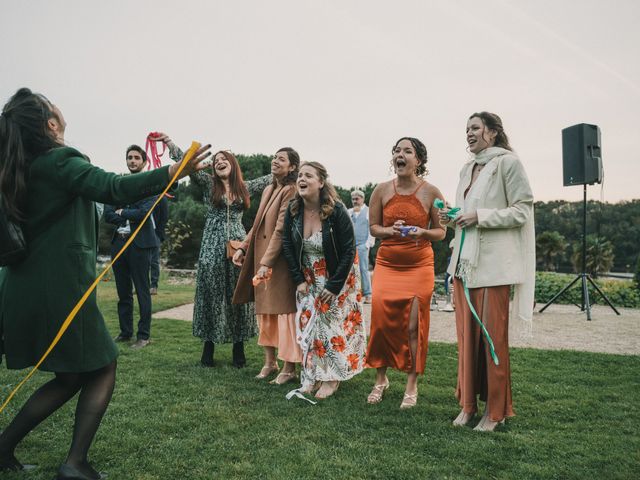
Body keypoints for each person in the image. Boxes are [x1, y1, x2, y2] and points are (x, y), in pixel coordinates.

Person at [0, 88, 210, 479]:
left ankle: (4, 447)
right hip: (56, 288)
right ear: (50, 123)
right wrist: (171, 171)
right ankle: (75, 464)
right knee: (102, 364)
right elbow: (113, 187)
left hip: (22, 286)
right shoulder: (59, 161)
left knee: (73, 375)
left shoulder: (18, 166)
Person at [439, 112, 534, 432]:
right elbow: (464, 214)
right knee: (466, 340)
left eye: (475, 128)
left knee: (492, 340)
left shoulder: (508, 163)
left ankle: (494, 412)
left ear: (493, 133)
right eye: (466, 129)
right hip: (464, 264)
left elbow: (522, 210)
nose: (469, 134)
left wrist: (480, 216)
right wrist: (450, 218)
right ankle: (467, 406)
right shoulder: (467, 168)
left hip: (494, 267)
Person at [158, 133, 271, 367]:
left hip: (239, 245)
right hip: (212, 245)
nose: (220, 162)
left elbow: (273, 177)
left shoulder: (246, 187)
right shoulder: (208, 183)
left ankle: (238, 350)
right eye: (217, 159)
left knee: (239, 295)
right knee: (211, 294)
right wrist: (169, 142)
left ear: (233, 164)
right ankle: (207, 350)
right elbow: (186, 162)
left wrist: (293, 167)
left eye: (224, 159)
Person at [365, 137, 446, 409]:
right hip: (387, 264)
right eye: (396, 151)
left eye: (407, 151)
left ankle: (411, 384)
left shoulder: (432, 193)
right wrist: (390, 231)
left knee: (414, 324)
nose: (400, 155)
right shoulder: (380, 190)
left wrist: (423, 232)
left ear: (418, 160)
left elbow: (441, 232)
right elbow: (374, 228)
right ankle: (380, 379)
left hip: (419, 265)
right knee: (381, 321)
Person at [282, 162, 366, 399]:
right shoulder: (293, 210)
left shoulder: (336, 210)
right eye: (300, 175)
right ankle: (312, 375)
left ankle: (332, 378)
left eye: (308, 175)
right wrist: (298, 279)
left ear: (321, 182)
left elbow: (349, 250)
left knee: (330, 325)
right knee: (310, 325)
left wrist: (334, 285)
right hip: (309, 276)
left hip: (338, 275)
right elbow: (288, 245)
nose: (302, 179)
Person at [233, 148, 301, 384]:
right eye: (274, 157)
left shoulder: (291, 190)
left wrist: (266, 263)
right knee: (265, 314)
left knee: (283, 314)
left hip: (279, 261)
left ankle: (289, 367)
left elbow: (281, 229)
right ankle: (270, 362)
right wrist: (242, 247)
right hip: (261, 258)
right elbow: (257, 223)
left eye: (281, 159)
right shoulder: (268, 189)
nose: (274, 161)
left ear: (292, 167)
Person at [104, 145, 160, 349]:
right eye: (129, 157)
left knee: (142, 291)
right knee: (123, 292)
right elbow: (108, 214)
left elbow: (144, 213)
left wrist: (122, 212)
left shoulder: (149, 187)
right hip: (118, 243)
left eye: (137, 157)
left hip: (140, 244)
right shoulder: (118, 185)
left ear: (144, 162)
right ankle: (125, 332)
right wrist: (125, 213)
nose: (132, 161)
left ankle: (143, 336)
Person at [348, 189, 375, 303]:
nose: (355, 201)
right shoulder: (349, 212)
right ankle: (353, 294)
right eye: (353, 199)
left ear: (362, 199)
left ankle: (368, 294)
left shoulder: (368, 211)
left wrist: (367, 244)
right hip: (350, 245)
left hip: (363, 244)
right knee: (350, 269)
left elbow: (371, 229)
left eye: (357, 199)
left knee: (363, 269)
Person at [149, 194, 169, 295]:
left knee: (154, 261)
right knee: (142, 262)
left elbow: (164, 217)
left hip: (155, 233)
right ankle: (142, 286)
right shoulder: (144, 196)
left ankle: (153, 286)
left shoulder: (162, 198)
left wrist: (158, 234)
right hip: (144, 233)